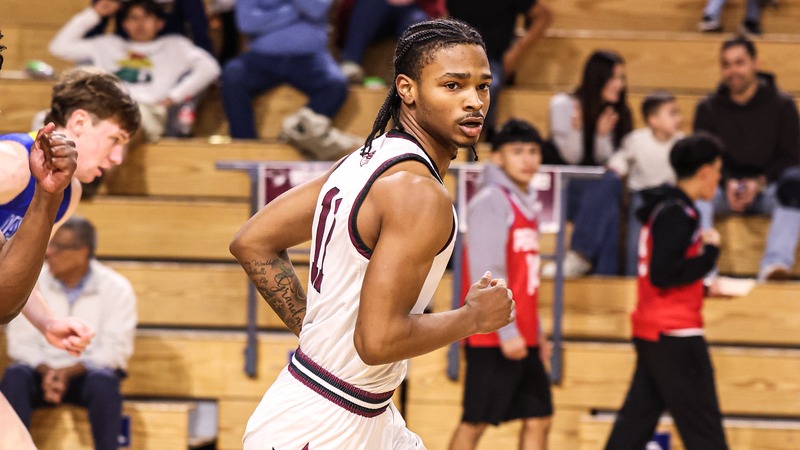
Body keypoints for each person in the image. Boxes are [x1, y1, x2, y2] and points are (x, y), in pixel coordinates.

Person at [229, 18, 515, 448]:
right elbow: (378, 342)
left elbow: (252, 241)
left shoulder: (366, 158)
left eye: (483, 86)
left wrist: (318, 337)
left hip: (346, 403)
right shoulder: (419, 192)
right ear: (407, 89)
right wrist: (472, 318)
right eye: (453, 86)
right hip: (326, 425)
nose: (474, 101)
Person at [0, 67, 137, 448]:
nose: (118, 157)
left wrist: (47, 323)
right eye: (115, 139)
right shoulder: (11, 163)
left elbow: (17, 272)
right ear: (79, 122)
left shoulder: (66, 193)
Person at [604, 134, 728, 450]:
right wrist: (711, 254)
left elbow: (667, 270)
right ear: (704, 172)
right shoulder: (678, 213)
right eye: (717, 170)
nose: (719, 178)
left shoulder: (667, 208)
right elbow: (663, 274)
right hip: (675, 334)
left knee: (634, 427)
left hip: (656, 330)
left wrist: (701, 287)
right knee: (705, 431)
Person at [448, 119, 552, 450]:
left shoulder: (526, 201)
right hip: (493, 336)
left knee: (540, 417)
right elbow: (487, 272)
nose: (528, 159)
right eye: (518, 151)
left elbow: (525, 278)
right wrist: (507, 332)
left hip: (523, 331)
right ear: (498, 158)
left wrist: (536, 329)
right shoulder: (491, 201)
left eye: (534, 151)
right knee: (475, 421)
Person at [1, 216, 138, 450]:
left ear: (81, 252)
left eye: (58, 247)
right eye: (49, 245)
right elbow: (19, 343)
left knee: (104, 383)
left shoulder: (117, 288)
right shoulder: (33, 279)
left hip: (85, 375)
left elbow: (116, 350)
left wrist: (67, 372)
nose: (49, 252)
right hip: (39, 372)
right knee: (15, 377)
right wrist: (49, 371)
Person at [693, 35, 800, 280]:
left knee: (796, 184)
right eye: (726, 64)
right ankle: (703, 268)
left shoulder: (782, 105)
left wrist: (759, 183)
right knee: (694, 186)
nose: (733, 71)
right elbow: (704, 158)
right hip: (722, 189)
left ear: (755, 64)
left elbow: (791, 158)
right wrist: (727, 181)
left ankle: (775, 266)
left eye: (739, 63)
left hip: (767, 189)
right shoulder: (708, 108)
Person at [49, 0, 221, 143]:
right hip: (104, 107)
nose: (140, 24)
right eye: (133, 18)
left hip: (145, 112)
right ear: (124, 24)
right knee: (57, 122)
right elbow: (59, 47)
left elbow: (210, 68)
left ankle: (91, 180)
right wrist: (95, 13)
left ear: (159, 23)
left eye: (146, 17)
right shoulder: (109, 44)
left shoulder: (175, 45)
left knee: (120, 129)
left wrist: (174, 96)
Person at [221, 0, 359, 160]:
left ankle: (295, 131)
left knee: (336, 83)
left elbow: (316, 9)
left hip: (311, 57)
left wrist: (271, 17)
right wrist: (294, 12)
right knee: (232, 75)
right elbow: (247, 23)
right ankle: (245, 146)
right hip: (262, 57)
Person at [541, 50, 633, 277]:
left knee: (609, 197)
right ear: (597, 78)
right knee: (609, 197)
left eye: (622, 78)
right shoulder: (563, 105)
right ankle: (592, 264)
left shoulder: (620, 112)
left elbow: (614, 162)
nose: (619, 85)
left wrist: (602, 137)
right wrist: (577, 130)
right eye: (614, 78)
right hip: (564, 190)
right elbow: (571, 158)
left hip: (597, 194)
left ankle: (584, 260)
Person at [447, 0, 552, 135]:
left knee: (488, 85)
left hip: (492, 60)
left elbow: (543, 16)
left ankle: (476, 136)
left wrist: (514, 53)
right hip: (455, 57)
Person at [608, 92, 685, 276]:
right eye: (672, 113)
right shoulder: (636, 140)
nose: (679, 118)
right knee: (636, 241)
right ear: (653, 120)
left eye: (678, 113)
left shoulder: (681, 143)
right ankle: (632, 277)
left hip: (670, 198)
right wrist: (616, 169)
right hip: (642, 197)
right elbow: (619, 161)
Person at [336, 0, 444, 84]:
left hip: (414, 8)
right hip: (375, 11)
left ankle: (415, 72)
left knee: (417, 20)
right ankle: (351, 62)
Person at [85, 0, 214, 55]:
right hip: (125, 53)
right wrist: (96, 13)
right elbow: (92, 36)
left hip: (168, 54)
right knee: (87, 63)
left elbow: (199, 31)